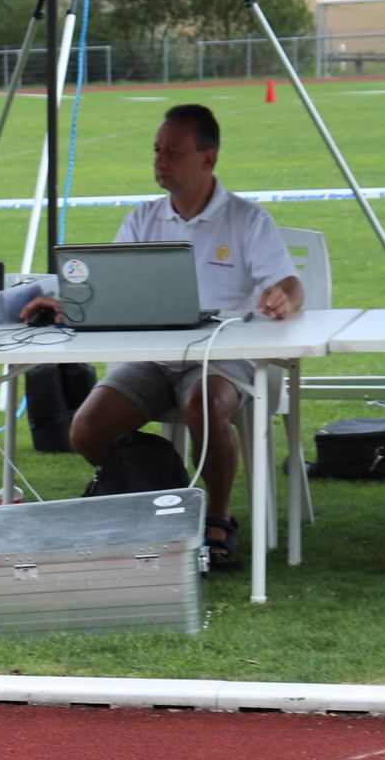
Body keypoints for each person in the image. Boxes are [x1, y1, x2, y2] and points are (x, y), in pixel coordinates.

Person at [21, 104, 305, 569]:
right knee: (86, 429)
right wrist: (65, 300)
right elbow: (108, 285)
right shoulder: (142, 218)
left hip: (221, 356)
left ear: (208, 159)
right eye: (157, 150)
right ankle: (167, 493)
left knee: (205, 406)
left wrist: (285, 297)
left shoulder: (247, 220)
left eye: (173, 152)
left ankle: (217, 516)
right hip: (152, 356)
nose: (160, 160)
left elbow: (291, 283)